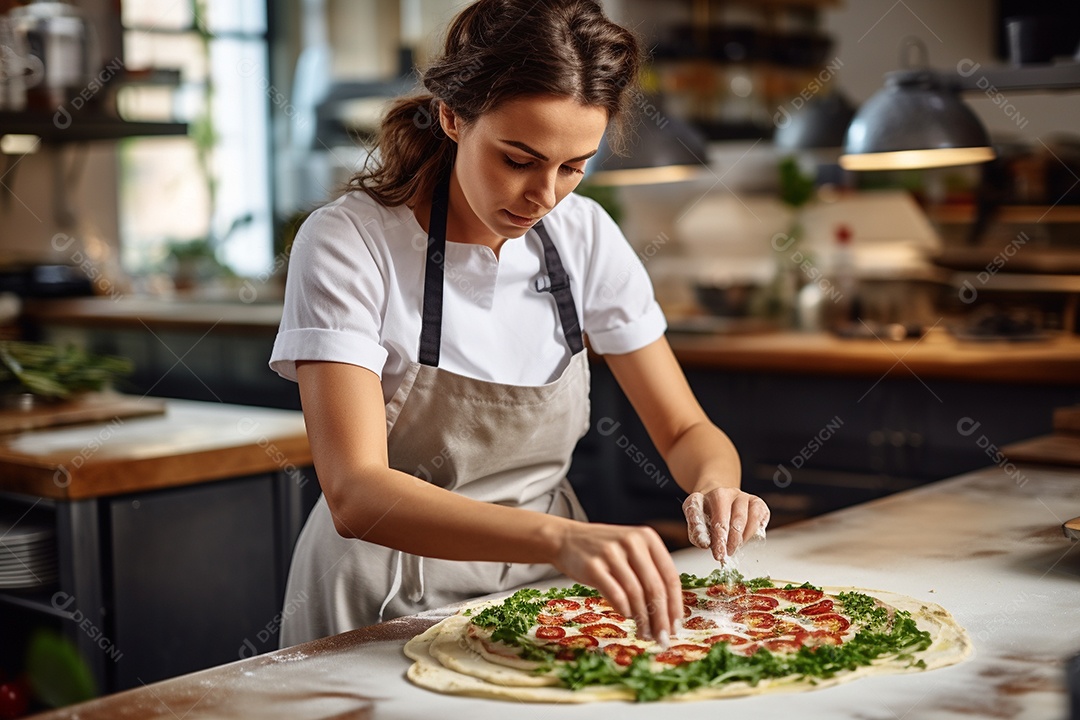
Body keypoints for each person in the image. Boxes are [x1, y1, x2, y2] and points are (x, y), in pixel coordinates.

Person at [270, 0, 770, 649]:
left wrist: (716, 487)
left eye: (573, 167)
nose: (545, 197)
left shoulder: (584, 234)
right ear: (452, 116)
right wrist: (562, 539)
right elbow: (356, 492)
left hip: (541, 594)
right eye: (518, 159)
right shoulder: (348, 241)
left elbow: (684, 429)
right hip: (380, 597)